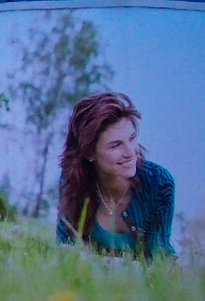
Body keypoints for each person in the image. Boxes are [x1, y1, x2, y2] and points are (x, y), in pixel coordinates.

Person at [56, 92, 176, 261]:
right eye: (116, 145)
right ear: (89, 152)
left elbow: (158, 257)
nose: (130, 152)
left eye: (132, 138)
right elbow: (64, 246)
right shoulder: (73, 179)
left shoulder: (160, 182)